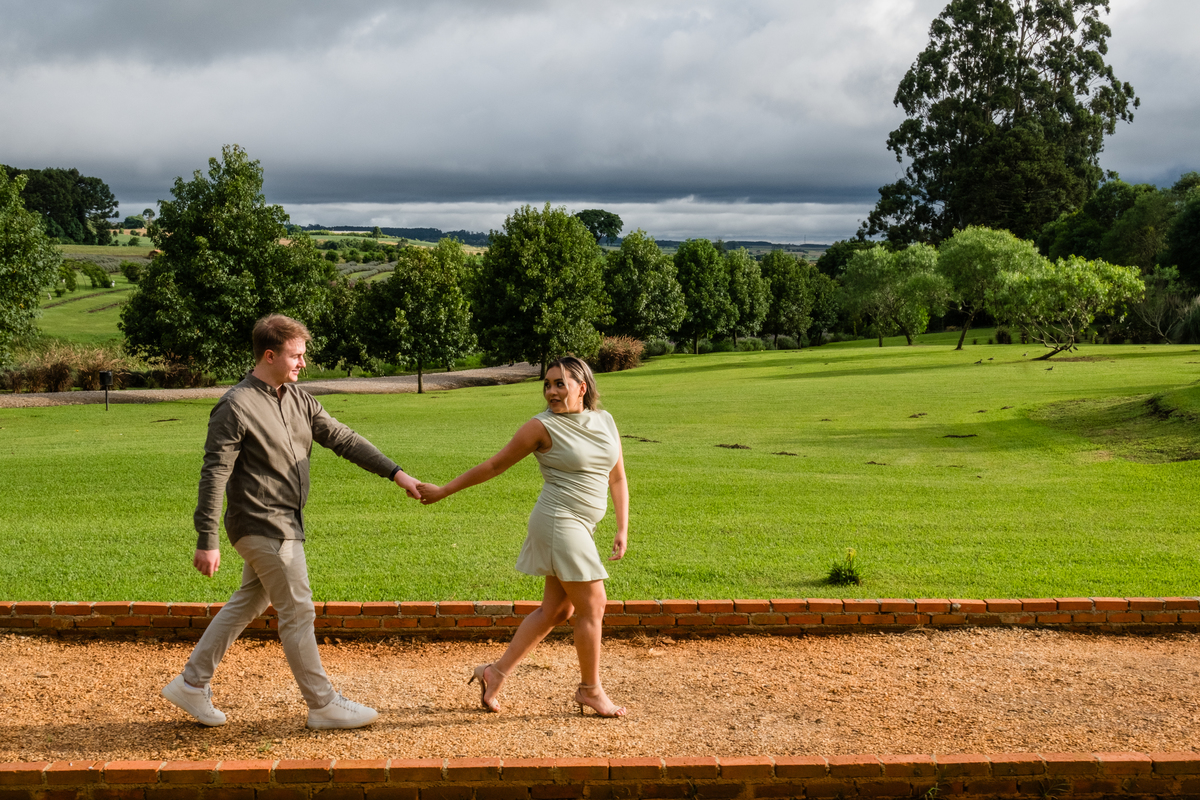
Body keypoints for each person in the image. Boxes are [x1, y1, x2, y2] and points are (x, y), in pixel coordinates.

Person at [161, 314, 422, 729]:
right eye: (296, 355)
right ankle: (322, 704)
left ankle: (192, 683)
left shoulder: (298, 399)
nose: (304, 363)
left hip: (284, 522)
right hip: (262, 523)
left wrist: (397, 473)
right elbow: (215, 473)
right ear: (270, 355)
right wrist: (206, 538)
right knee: (298, 612)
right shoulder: (236, 406)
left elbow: (343, 438)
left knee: (250, 599)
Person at [418, 355, 628, 717]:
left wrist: (622, 527)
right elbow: (494, 465)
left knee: (558, 609)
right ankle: (590, 690)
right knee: (593, 604)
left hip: (583, 525)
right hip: (559, 520)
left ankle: (494, 673)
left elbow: (617, 477)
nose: (551, 391)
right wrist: (443, 490)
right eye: (547, 384)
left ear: (583, 387)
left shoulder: (604, 420)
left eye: (560, 383)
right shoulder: (540, 428)